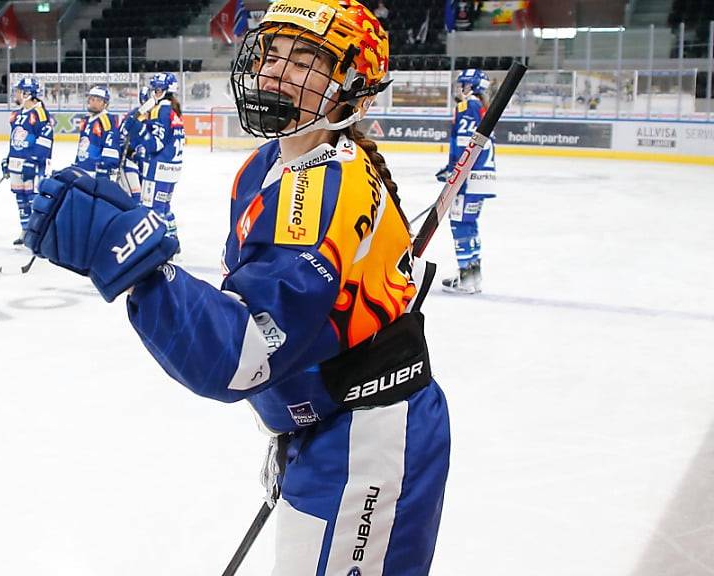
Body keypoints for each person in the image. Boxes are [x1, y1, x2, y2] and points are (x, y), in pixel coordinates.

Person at [23, 1, 450, 574]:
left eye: (304, 59)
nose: (275, 69)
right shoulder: (266, 166)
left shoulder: (322, 187)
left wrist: (134, 261)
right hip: (325, 428)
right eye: (273, 51)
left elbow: (245, 352)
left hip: (368, 437)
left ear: (353, 90)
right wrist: (287, 426)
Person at [435, 68, 496, 294]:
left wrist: (454, 171)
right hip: (483, 176)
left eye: (462, 84)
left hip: (468, 178)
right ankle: (473, 277)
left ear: (470, 86)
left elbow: (465, 144)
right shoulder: (483, 109)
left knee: (459, 224)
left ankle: (465, 278)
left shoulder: (466, 106)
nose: (459, 89)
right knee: (470, 224)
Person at [121, 72, 184, 239]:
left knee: (151, 211)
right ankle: (172, 241)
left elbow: (155, 144)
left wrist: (139, 130)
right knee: (164, 208)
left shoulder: (160, 110)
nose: (153, 93)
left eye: (156, 90)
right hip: (172, 169)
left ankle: (155, 250)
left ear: (164, 91)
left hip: (158, 168)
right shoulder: (173, 110)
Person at [2, 77, 53, 245]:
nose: (15, 94)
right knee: (21, 198)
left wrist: (33, 160)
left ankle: (39, 234)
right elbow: (15, 139)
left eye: (18, 91)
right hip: (18, 164)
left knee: (34, 199)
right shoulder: (17, 114)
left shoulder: (39, 113)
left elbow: (45, 140)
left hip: (33, 165)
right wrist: (9, 159)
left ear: (27, 93)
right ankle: (26, 231)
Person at [74, 85, 122, 178]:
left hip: (96, 172)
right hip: (83, 169)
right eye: (92, 99)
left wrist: (105, 168)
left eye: (98, 100)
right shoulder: (86, 120)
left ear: (105, 104)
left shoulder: (106, 119)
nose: (94, 103)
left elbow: (111, 143)